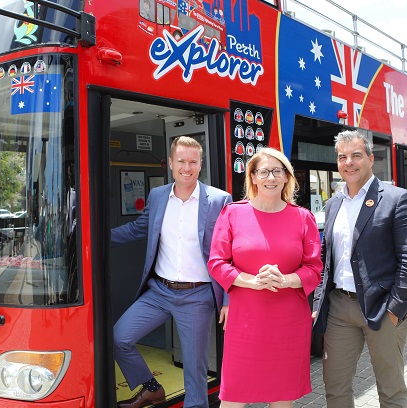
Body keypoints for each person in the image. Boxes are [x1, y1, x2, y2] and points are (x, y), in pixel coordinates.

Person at [112, 136, 232, 408]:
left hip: (197, 296)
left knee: (194, 371)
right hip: (159, 291)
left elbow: (229, 252)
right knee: (120, 337)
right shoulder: (157, 196)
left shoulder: (218, 200)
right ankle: (151, 388)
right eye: (181, 161)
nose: (186, 168)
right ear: (170, 163)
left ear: (200, 164)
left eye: (193, 161)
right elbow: (137, 229)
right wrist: (93, 238)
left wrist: (227, 299)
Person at [312, 130, 407, 408]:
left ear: (371, 159)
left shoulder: (397, 198)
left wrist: (396, 309)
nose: (349, 162)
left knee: (390, 391)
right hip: (339, 308)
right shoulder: (333, 203)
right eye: (342, 157)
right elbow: (327, 257)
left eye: (356, 156)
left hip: (383, 307)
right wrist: (318, 300)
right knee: (335, 388)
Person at [208, 147, 323, 407]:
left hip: (289, 323)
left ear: (286, 177)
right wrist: (252, 281)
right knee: (232, 398)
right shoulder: (232, 213)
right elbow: (216, 262)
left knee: (282, 398)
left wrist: (285, 279)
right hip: (245, 321)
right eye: (264, 171)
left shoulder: (303, 218)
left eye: (277, 171)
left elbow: (314, 268)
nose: (270, 177)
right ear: (253, 177)